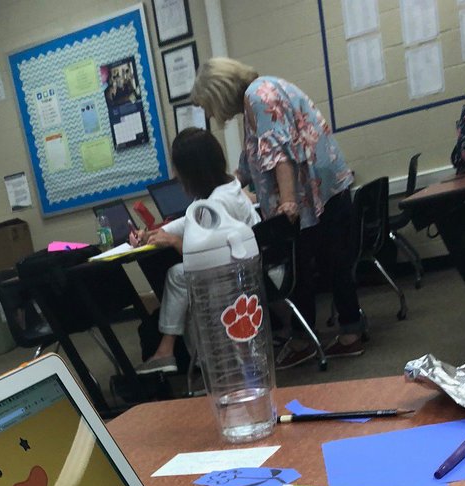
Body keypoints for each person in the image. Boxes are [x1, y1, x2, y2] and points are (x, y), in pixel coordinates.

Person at [190, 58, 364, 368]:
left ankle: (323, 339)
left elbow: (280, 154)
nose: (211, 114)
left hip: (313, 193)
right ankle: (324, 334)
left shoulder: (258, 98)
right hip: (323, 188)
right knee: (324, 263)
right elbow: (251, 159)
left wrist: (287, 205)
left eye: (208, 105)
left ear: (218, 92)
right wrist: (228, 185)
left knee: (308, 267)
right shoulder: (260, 93)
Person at [129, 126, 259, 374]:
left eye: (177, 168)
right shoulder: (227, 188)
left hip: (240, 276)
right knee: (179, 276)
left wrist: (174, 242)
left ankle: (172, 353)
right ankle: (169, 352)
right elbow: (189, 221)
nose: (175, 174)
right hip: (248, 267)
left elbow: (209, 258)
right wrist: (151, 234)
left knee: (180, 276)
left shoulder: (218, 202)